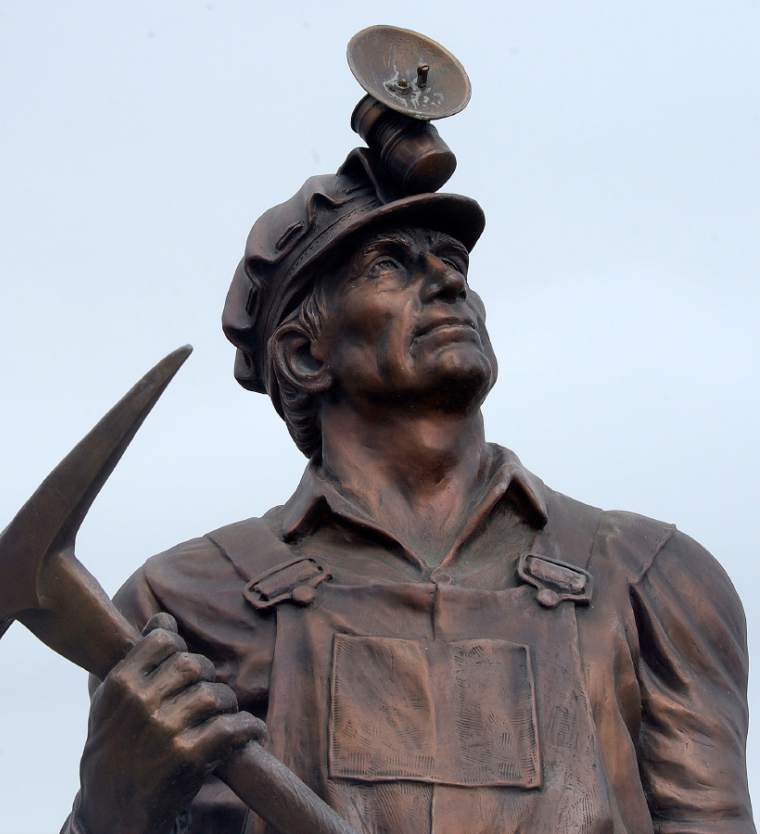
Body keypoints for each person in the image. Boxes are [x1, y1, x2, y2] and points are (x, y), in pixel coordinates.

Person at [61, 148, 754, 834]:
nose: (448, 283)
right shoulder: (184, 603)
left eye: (454, 265)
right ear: (305, 354)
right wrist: (111, 806)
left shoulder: (652, 581)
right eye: (391, 264)